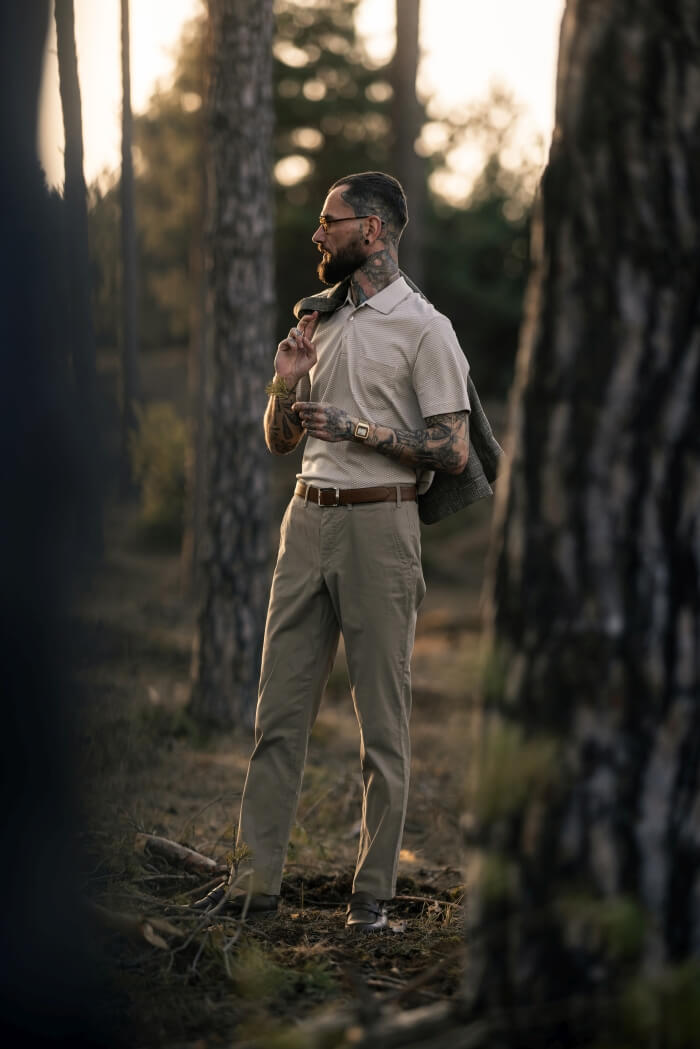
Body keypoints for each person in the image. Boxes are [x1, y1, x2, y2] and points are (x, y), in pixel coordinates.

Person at [194, 171, 493, 932]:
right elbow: (279, 440)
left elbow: (454, 451)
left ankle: (373, 901)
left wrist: (358, 429)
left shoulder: (426, 328)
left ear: (374, 230)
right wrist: (284, 388)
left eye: (330, 221)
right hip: (306, 522)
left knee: (382, 726)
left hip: (379, 528)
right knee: (276, 715)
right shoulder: (317, 320)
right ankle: (252, 886)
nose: (317, 234)